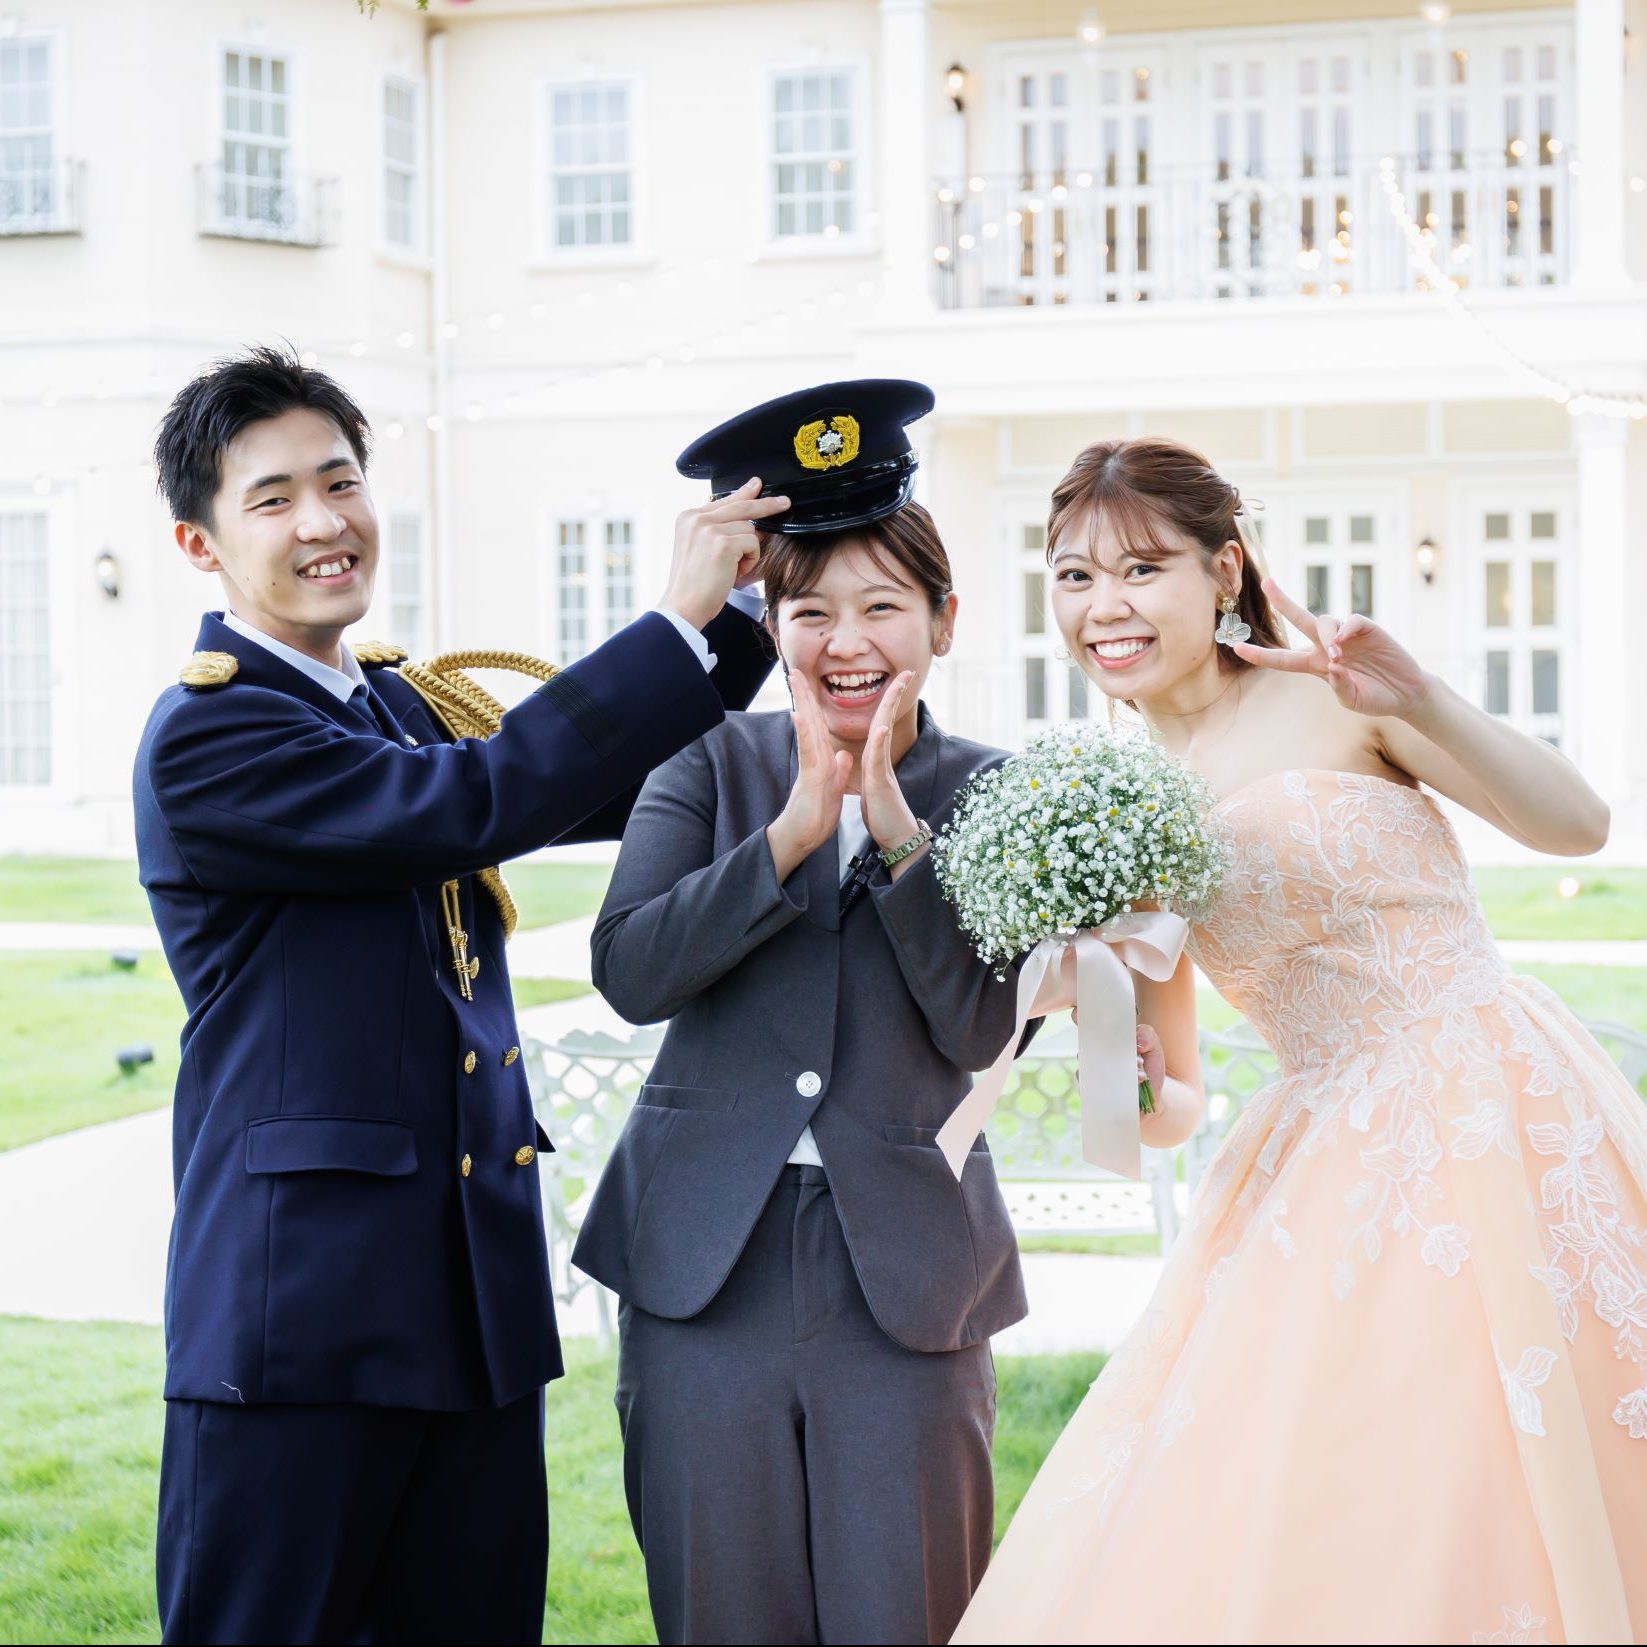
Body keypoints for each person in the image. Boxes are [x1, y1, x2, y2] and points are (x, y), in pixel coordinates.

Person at [134, 345, 783, 1645]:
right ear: (200, 544)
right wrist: (669, 619)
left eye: (341, 481)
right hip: (298, 1328)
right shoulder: (211, 732)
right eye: (272, 498)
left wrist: (750, 617)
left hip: (469, 1305)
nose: (323, 521)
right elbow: (482, 798)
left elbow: (586, 782)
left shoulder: (391, 702)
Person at [954, 436, 1647, 1646]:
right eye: (1074, 577)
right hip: (1320, 1162)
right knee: (1357, 1497)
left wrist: (1419, 697)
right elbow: (1170, 1105)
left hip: (1488, 1102)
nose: (1105, 606)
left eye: (1142, 569)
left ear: (1224, 572)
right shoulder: (1121, 810)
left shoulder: (1336, 694)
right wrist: (1119, 1053)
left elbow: (1577, 826)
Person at [572, 380, 1031, 1646]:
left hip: (909, 1272)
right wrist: (786, 838)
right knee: (724, 1612)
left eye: (882, 605)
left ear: (943, 619)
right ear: (770, 625)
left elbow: (984, 1030)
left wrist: (897, 837)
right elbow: (630, 971)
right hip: (702, 1265)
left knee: (911, 1612)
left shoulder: (996, 794)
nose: (846, 640)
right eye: (810, 609)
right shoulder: (704, 764)